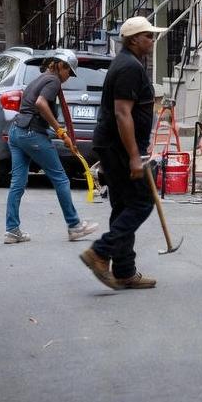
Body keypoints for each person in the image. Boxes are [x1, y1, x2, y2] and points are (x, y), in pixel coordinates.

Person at [80, 15, 160, 290]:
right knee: (141, 203)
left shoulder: (129, 63)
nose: (153, 39)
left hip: (115, 146)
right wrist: (135, 156)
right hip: (120, 148)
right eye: (149, 35)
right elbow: (122, 113)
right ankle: (100, 252)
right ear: (134, 39)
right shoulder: (129, 67)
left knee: (123, 206)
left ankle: (124, 270)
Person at [5, 48, 98, 244]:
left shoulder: (39, 79)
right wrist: (60, 131)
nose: (68, 77)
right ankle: (74, 226)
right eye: (69, 72)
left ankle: (12, 230)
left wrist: (59, 132)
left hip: (17, 132)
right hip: (31, 133)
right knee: (61, 178)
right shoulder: (53, 80)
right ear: (60, 65)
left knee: (17, 183)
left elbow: (31, 107)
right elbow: (40, 104)